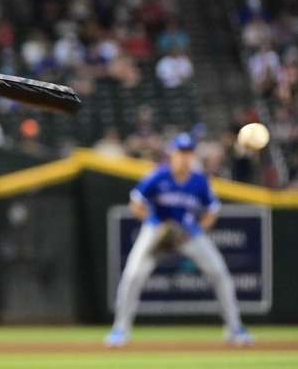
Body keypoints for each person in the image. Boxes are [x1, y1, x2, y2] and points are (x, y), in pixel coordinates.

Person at [105, 133, 253, 348]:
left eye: (187, 152)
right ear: (172, 154)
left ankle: (235, 328)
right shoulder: (158, 176)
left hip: (189, 233)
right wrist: (157, 223)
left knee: (219, 273)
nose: (183, 157)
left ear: (192, 155)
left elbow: (212, 212)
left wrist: (196, 230)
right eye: (180, 152)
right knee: (132, 275)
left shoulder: (200, 182)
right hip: (157, 230)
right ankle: (120, 329)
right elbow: (135, 204)